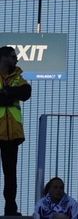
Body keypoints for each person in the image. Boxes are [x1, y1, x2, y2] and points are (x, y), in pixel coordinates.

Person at [0, 46, 28, 215]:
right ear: (3, 57)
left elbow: (26, 92)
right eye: (13, 56)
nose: (16, 59)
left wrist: (6, 93)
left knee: (10, 174)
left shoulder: (17, 76)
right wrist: (10, 96)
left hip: (12, 134)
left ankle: (10, 208)